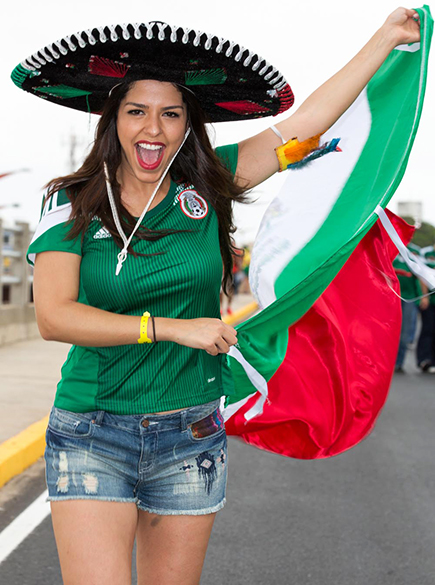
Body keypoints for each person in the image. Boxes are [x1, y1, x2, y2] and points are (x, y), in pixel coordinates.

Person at [13, 8, 421, 585]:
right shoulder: (71, 202)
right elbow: (55, 317)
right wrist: (172, 328)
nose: (152, 129)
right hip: (91, 431)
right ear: (112, 119)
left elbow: (306, 121)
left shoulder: (210, 186)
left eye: (170, 114)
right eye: (137, 111)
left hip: (190, 433)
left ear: (187, 125)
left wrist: (385, 39)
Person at [393, 251, 422, 373]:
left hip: (409, 299)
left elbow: (419, 278)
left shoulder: (412, 257)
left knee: (404, 334)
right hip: (392, 297)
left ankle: (398, 363)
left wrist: (422, 296)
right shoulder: (391, 255)